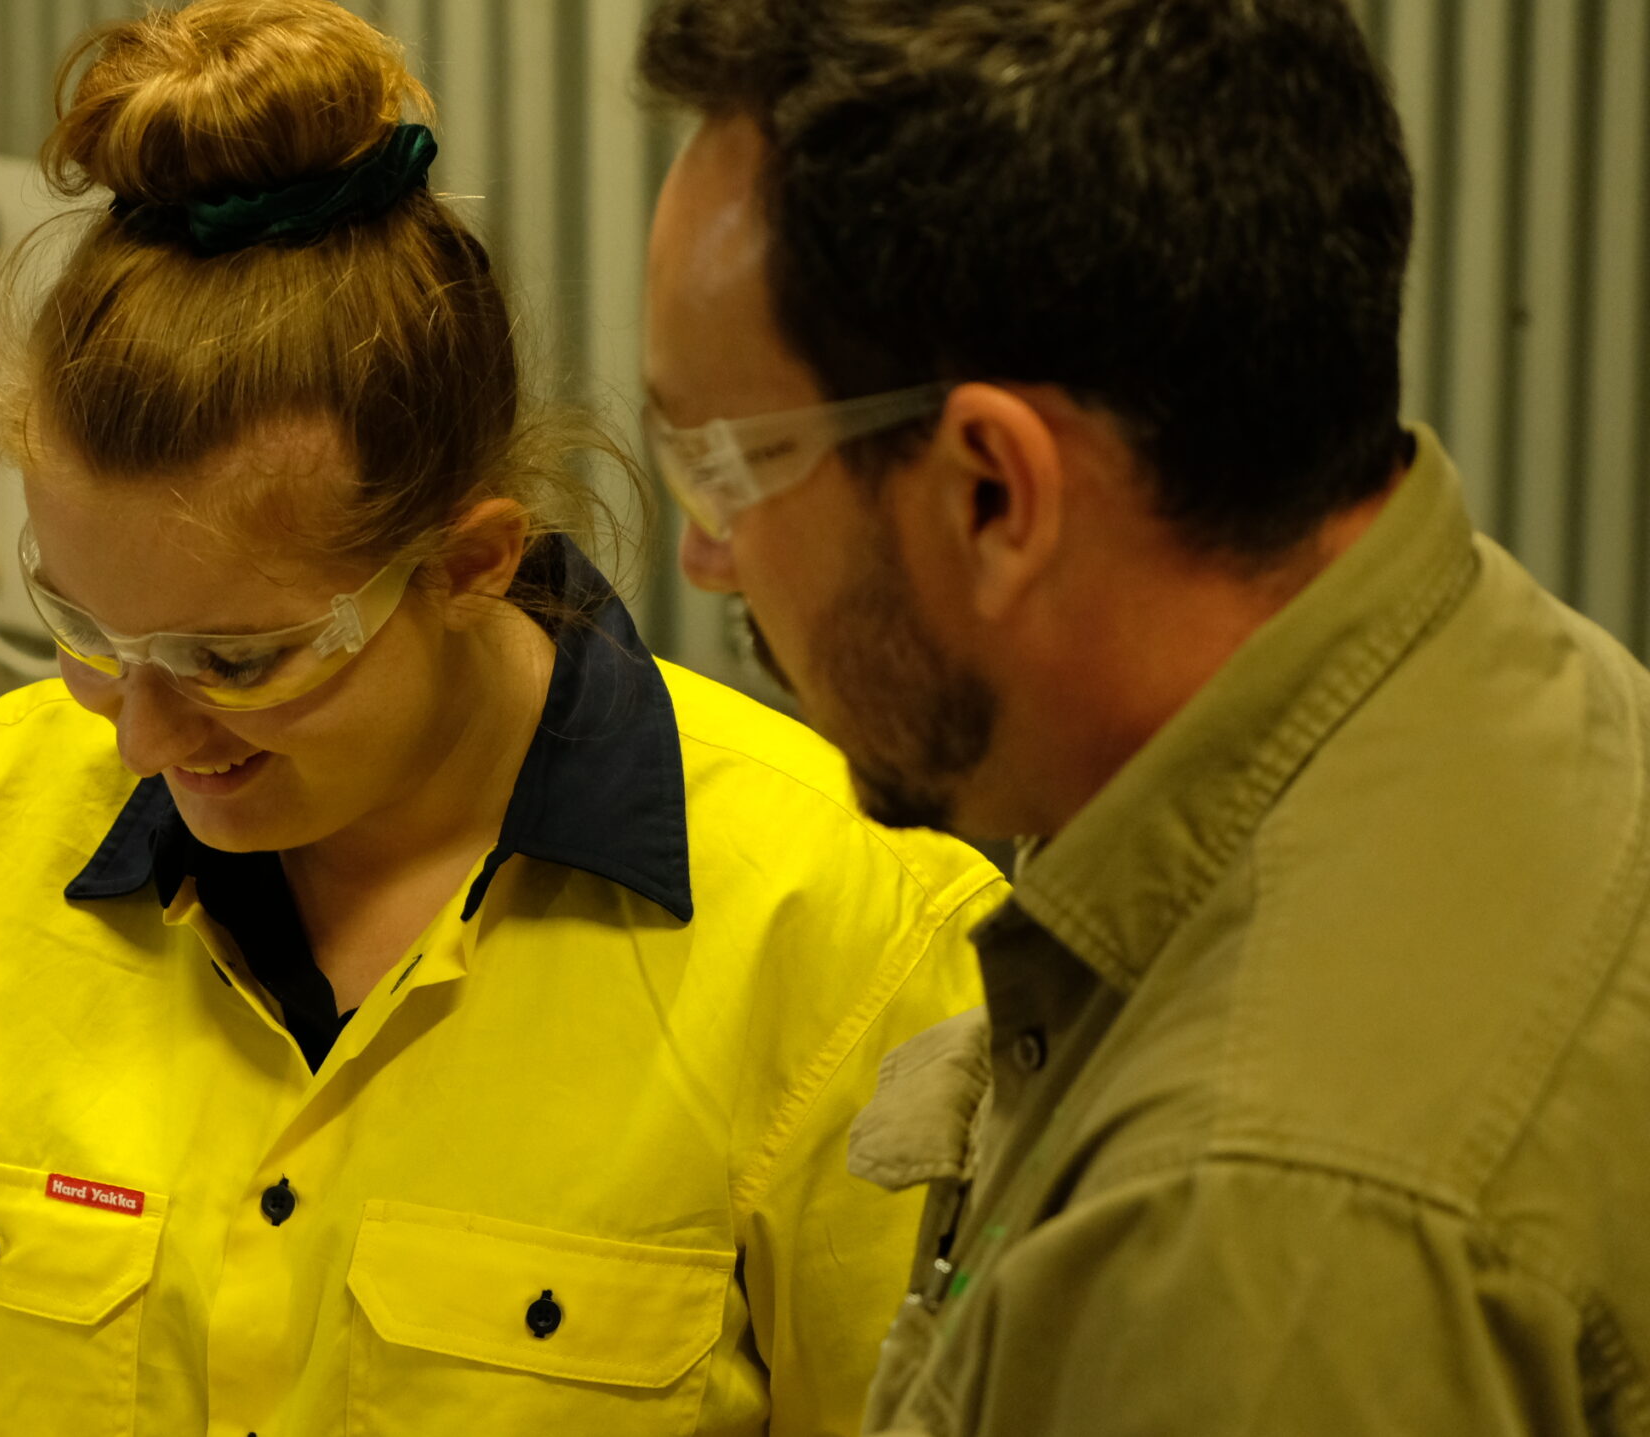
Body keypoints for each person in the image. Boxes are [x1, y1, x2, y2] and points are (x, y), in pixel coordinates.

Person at [0, 3, 1002, 1434]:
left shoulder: (839, 928)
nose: (141, 733)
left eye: (236, 658)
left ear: (465, 565)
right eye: (86, 630)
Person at [636, 0, 1650, 1431]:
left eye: (731, 465)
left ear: (995, 490)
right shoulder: (1494, 669)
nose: (706, 554)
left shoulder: (1247, 1248)